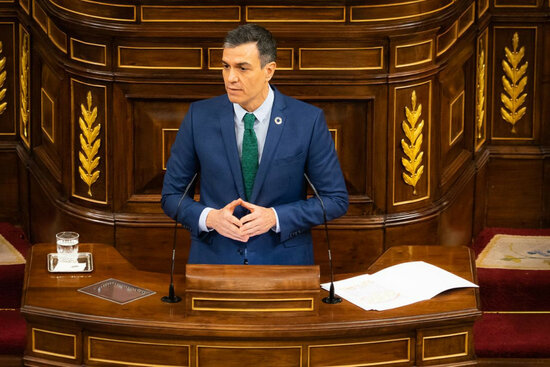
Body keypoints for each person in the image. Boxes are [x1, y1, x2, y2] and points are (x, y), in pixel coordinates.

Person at [161, 24, 348, 265]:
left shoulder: (307, 121)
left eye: (242, 68)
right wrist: (210, 218)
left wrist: (275, 217)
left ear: (268, 70)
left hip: (283, 262)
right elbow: (171, 196)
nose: (230, 78)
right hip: (214, 261)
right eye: (226, 66)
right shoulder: (199, 116)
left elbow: (335, 200)